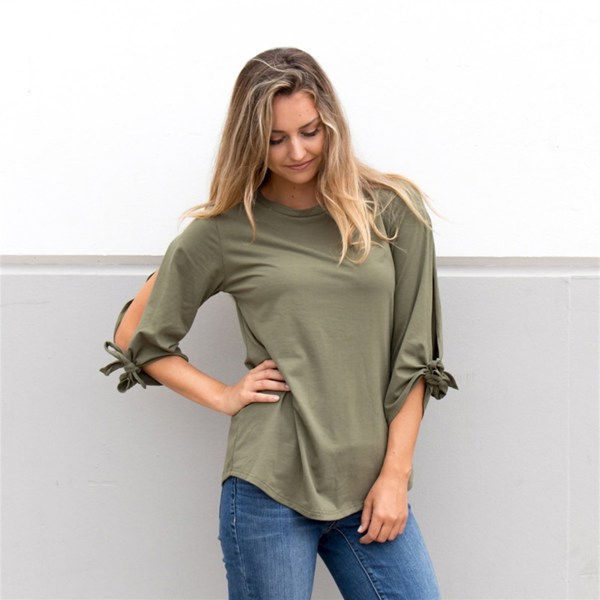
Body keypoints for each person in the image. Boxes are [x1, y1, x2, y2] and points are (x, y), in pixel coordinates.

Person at [101, 47, 457, 600]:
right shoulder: (227, 230)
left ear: (331, 123)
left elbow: (415, 356)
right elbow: (135, 336)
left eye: (310, 131)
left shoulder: (392, 210)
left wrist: (395, 475)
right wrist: (223, 395)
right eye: (275, 139)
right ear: (250, 141)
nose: (297, 151)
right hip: (267, 486)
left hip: (370, 484)